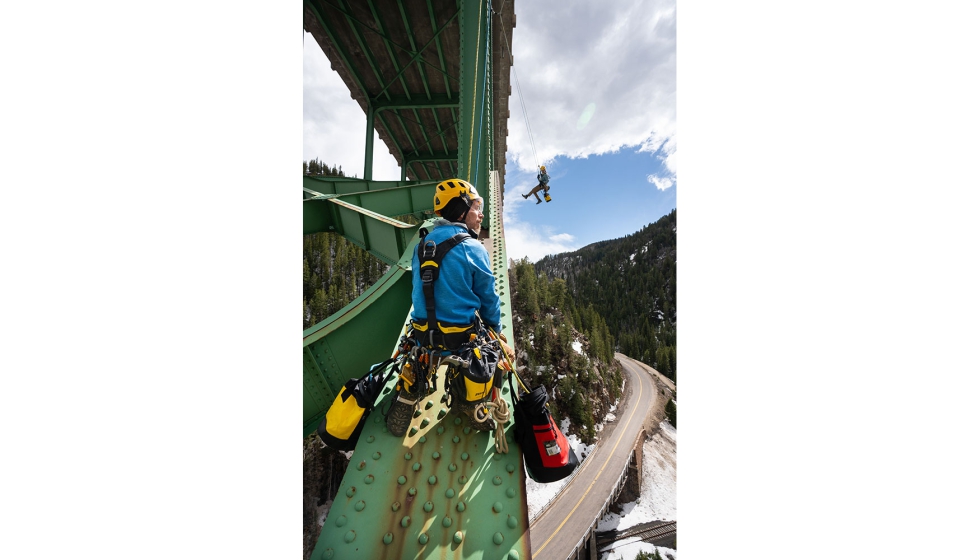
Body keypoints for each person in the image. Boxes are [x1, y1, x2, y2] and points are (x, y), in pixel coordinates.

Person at [387, 178, 516, 437]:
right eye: (477, 207)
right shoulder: (473, 248)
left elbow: (418, 292)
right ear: (461, 208)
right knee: (493, 354)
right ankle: (470, 401)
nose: (481, 215)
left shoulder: (422, 246)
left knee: (422, 346)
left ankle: (412, 383)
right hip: (459, 339)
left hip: (424, 334)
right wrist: (496, 329)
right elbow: (489, 298)